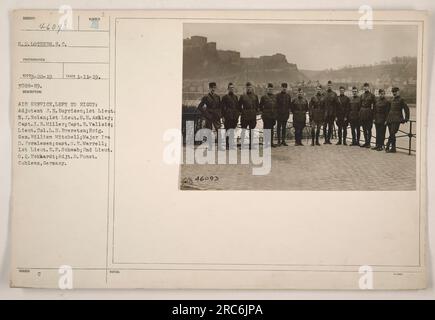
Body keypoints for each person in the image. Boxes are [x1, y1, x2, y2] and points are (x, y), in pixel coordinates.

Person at [385, 87, 410, 153]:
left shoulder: (401, 100)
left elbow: (406, 109)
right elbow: (389, 110)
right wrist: (387, 119)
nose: (394, 93)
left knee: (393, 132)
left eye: (395, 91)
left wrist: (406, 118)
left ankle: (388, 145)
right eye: (393, 92)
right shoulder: (392, 99)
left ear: (398, 92)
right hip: (390, 119)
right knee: (391, 133)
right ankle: (393, 148)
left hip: (397, 119)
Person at [238, 82, 259, 148]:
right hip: (244, 115)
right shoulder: (242, 96)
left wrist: (254, 111)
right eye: (247, 87)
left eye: (250, 87)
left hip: (252, 115)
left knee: (252, 130)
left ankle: (251, 145)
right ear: (246, 88)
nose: (249, 89)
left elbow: (257, 106)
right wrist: (243, 112)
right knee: (243, 130)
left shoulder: (255, 96)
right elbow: (238, 106)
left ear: (252, 88)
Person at [221, 82, 240, 148]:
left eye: (232, 88)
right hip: (227, 116)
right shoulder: (225, 97)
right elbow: (222, 108)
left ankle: (231, 144)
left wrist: (237, 116)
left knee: (232, 130)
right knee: (227, 130)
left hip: (234, 117)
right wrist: (223, 117)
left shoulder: (235, 97)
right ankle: (227, 144)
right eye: (230, 88)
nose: (231, 89)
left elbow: (237, 107)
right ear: (228, 89)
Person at [259, 83, 278, 148]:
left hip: (273, 116)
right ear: (267, 89)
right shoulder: (263, 97)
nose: (270, 90)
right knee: (266, 129)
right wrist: (263, 114)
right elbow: (260, 107)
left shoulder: (275, 97)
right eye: (269, 89)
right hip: (266, 116)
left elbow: (276, 106)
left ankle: (271, 143)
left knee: (272, 129)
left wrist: (275, 115)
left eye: (271, 89)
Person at [359, 82, 376, 148]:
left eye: (367, 86)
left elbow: (375, 106)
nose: (365, 88)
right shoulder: (362, 95)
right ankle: (366, 142)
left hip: (369, 113)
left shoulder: (372, 96)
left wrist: (373, 115)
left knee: (369, 129)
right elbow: (360, 105)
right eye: (364, 86)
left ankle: (368, 143)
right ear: (363, 88)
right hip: (363, 113)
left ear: (369, 87)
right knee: (364, 129)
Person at [323, 80, 338, 144]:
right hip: (325, 113)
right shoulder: (324, 93)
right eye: (328, 85)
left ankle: (328, 140)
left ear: (332, 86)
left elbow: (336, 105)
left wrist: (335, 114)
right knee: (324, 127)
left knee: (330, 127)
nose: (329, 86)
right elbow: (322, 104)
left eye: (330, 85)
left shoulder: (334, 94)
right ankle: (325, 139)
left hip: (331, 113)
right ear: (327, 86)